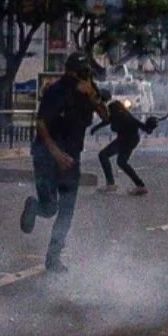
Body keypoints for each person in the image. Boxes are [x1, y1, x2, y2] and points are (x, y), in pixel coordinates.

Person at [21, 52, 102, 271]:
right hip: (47, 156)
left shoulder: (88, 94)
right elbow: (41, 124)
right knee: (50, 208)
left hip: (71, 159)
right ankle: (34, 206)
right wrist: (55, 153)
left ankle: (53, 258)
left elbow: (107, 116)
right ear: (71, 72)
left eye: (87, 74)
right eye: (82, 73)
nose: (84, 77)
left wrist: (93, 97)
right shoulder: (55, 91)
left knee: (66, 210)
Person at [97, 96, 157, 193]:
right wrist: (95, 128)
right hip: (130, 140)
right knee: (121, 162)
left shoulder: (123, 117)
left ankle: (110, 184)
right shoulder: (126, 115)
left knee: (103, 155)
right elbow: (145, 128)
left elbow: (113, 127)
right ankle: (140, 185)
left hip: (125, 141)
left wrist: (151, 124)